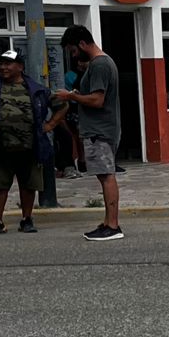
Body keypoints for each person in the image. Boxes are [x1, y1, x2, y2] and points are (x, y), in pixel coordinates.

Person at [0, 50, 63, 235]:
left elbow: (62, 105)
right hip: (0, 146)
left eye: (8, 63)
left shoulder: (37, 89)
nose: (3, 67)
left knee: (28, 185)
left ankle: (27, 219)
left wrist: (51, 124)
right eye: (1, 64)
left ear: (20, 67)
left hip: (30, 146)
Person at [55, 25, 123, 241]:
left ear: (83, 44)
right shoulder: (100, 63)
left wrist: (71, 97)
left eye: (74, 51)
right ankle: (107, 222)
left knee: (106, 176)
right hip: (100, 129)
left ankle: (112, 225)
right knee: (104, 176)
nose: (74, 56)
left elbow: (97, 100)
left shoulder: (100, 64)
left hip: (100, 131)